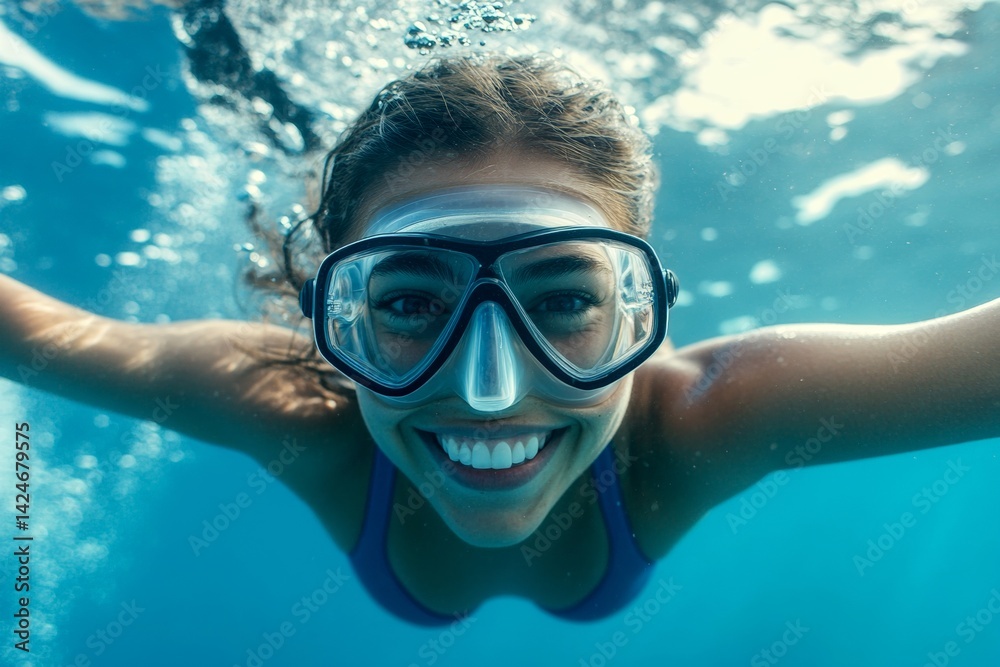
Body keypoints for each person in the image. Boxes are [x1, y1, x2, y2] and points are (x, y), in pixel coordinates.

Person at [2, 54, 998, 626]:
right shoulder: (292, 397)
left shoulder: (704, 413)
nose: (489, 391)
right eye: (408, 304)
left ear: (641, 312)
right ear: (331, 319)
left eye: (562, 301)